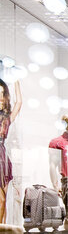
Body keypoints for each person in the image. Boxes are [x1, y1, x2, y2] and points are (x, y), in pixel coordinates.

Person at [0, 79, 22, 223]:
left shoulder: (6, 118)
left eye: (3, 93)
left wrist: (16, 81)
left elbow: (18, 103)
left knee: (4, 201)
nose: (1, 97)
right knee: (1, 199)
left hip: (2, 158)